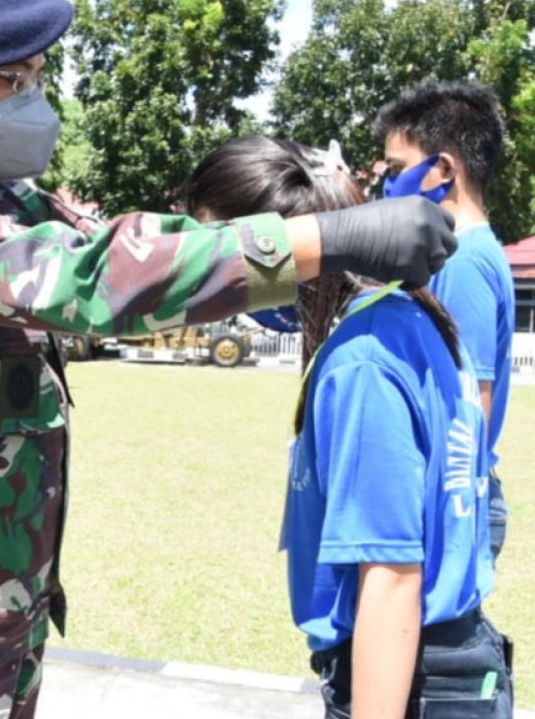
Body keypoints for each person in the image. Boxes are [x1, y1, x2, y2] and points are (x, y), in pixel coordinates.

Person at [0, 0, 459, 719]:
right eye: (12, 81)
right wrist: (326, 238)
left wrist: (302, 212)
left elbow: (143, 244)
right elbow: (93, 278)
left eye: (38, 77)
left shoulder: (0, 197)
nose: (34, 101)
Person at [185, 135, 512, 718]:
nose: (215, 281)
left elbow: (390, 579)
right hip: (443, 665)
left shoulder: (362, 356)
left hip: (410, 679)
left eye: (222, 257)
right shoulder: (403, 315)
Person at [376, 81, 515, 561]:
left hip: (451, 503)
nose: (387, 185)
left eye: (396, 169)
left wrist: (441, 520)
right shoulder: (460, 253)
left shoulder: (462, 261)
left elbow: (467, 407)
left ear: (443, 169)